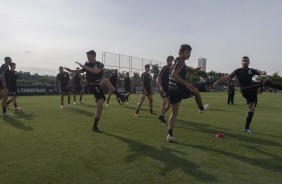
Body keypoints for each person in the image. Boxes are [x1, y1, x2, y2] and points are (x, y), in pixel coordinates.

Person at [64, 50, 129, 132]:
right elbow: (81, 71)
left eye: (89, 57)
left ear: (94, 56)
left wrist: (83, 66)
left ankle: (94, 126)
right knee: (105, 80)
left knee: (100, 106)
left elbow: (96, 71)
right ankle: (121, 97)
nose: (88, 59)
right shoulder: (87, 64)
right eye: (87, 57)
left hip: (98, 86)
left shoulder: (100, 64)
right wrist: (71, 70)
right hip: (92, 85)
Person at [213, 56, 282, 133]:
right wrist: (218, 81)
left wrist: (262, 72)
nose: (245, 62)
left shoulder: (251, 70)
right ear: (241, 62)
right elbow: (228, 77)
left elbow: (260, 72)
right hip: (245, 89)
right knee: (264, 81)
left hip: (252, 89)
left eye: (246, 60)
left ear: (249, 62)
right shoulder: (238, 70)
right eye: (243, 61)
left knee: (252, 109)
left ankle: (246, 128)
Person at [166, 44, 209, 142]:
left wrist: (193, 69)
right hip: (178, 89)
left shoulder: (178, 61)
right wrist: (186, 84)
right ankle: (201, 108)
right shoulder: (180, 61)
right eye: (187, 52)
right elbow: (174, 74)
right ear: (180, 52)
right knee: (196, 91)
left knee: (174, 114)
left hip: (171, 91)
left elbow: (185, 68)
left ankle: (169, 135)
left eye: (190, 52)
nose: (189, 54)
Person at [157, 55, 174, 125]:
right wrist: (160, 87)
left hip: (169, 89)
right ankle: (162, 118)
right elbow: (158, 78)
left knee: (169, 104)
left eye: (172, 60)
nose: (171, 61)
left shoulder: (172, 69)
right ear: (167, 61)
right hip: (163, 88)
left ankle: (161, 115)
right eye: (170, 60)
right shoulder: (164, 68)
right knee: (164, 102)